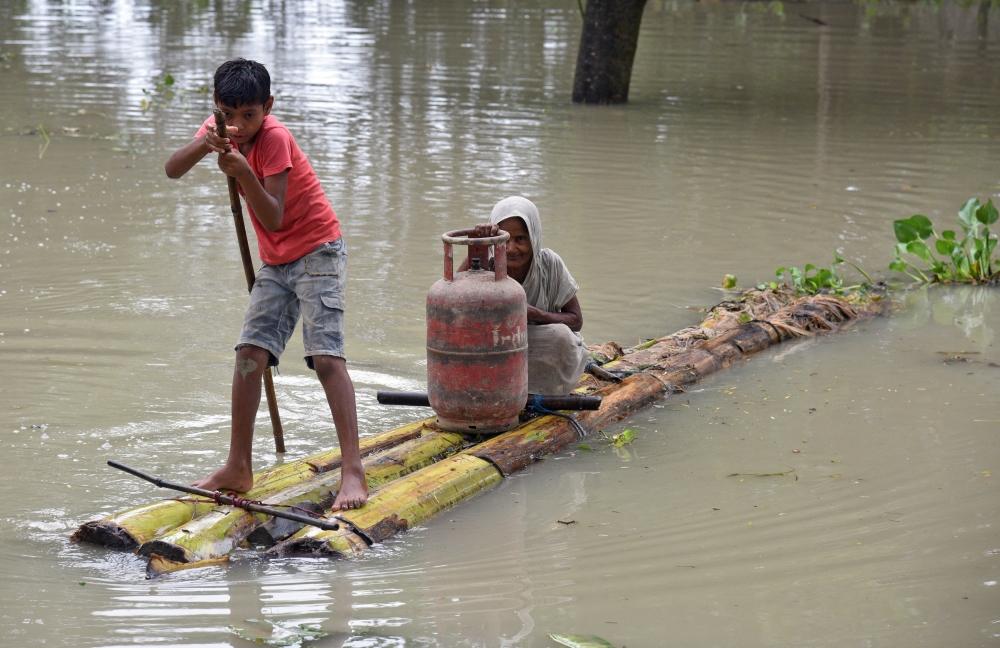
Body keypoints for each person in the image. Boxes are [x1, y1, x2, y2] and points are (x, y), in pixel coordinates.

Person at [163, 58, 367, 510]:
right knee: (249, 355)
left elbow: (273, 215)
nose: (237, 126)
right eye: (228, 114)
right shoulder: (219, 126)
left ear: (267, 107)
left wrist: (242, 173)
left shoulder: (275, 138)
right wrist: (206, 145)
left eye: (248, 116)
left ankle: (353, 470)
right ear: (217, 107)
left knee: (326, 357)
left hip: (318, 252)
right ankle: (238, 466)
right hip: (277, 262)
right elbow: (172, 169)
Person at [468, 196, 590, 395]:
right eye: (505, 239)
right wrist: (478, 244)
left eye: (521, 239)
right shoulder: (485, 263)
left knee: (561, 337)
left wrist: (535, 315)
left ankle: (540, 392)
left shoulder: (550, 263)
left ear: (533, 237)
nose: (511, 249)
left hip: (538, 351)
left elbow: (576, 321)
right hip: (497, 350)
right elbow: (455, 306)